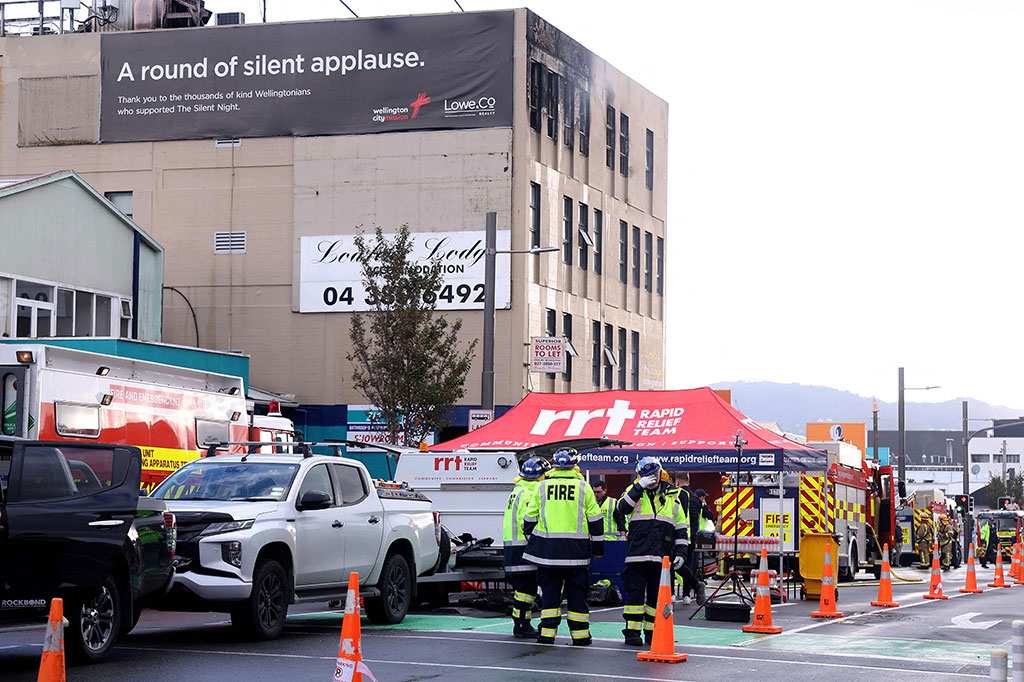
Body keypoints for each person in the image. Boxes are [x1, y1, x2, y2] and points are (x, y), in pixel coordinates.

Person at [522, 448, 603, 646]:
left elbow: (529, 519)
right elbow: (595, 520)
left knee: (550, 595)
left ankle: (547, 635)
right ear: (575, 466)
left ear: (555, 465)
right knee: (577, 595)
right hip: (577, 554)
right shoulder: (584, 487)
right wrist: (599, 549)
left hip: (548, 554)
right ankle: (581, 636)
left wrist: (534, 539)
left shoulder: (542, 487)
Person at [615, 456, 688, 646]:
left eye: (653, 474)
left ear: (659, 473)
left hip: (661, 556)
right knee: (635, 596)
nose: (651, 478)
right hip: (637, 555)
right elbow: (622, 509)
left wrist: (681, 553)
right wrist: (639, 486)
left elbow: (681, 528)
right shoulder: (633, 492)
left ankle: (651, 633)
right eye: (646, 475)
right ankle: (631, 633)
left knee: (656, 597)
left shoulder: (673, 497)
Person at [503, 457, 548, 638]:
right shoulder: (531, 493)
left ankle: (521, 623)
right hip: (523, 548)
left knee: (523, 590)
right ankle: (522, 625)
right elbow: (528, 523)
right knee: (526, 591)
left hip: (512, 548)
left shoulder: (518, 490)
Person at [673, 472, 706, 605]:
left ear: (677, 483)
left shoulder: (679, 495)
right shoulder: (696, 499)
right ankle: (687, 595)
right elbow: (696, 519)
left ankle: (672, 594)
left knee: (672, 565)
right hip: (691, 536)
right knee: (688, 566)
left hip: (679, 536)